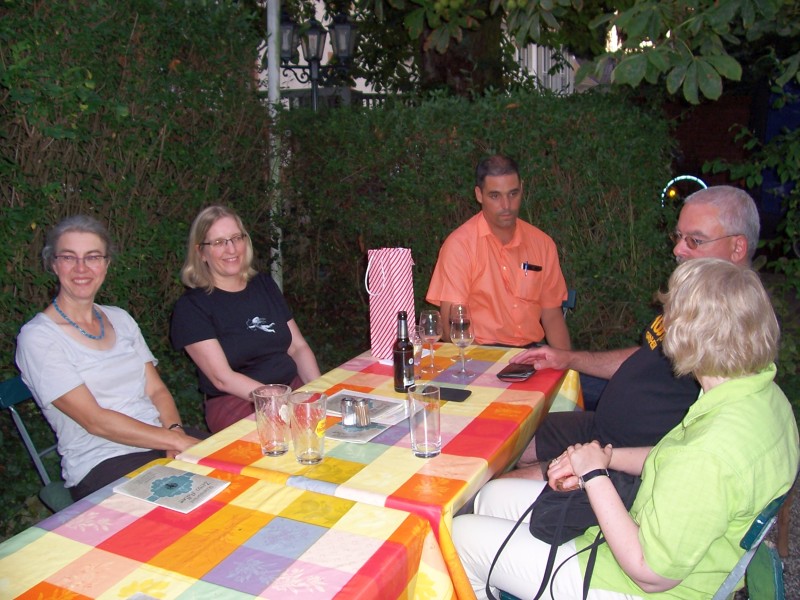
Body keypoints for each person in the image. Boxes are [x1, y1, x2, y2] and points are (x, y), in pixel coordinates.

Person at [453, 258, 799, 599]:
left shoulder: (711, 453)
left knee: (461, 537)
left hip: (636, 581)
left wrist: (593, 475)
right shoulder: (759, 396)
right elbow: (670, 457)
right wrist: (606, 457)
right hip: (654, 531)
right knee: (490, 497)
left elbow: (650, 574)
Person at [505, 185, 760, 478]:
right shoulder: (697, 300)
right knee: (511, 439)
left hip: (629, 464)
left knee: (496, 489)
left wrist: (603, 462)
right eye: (678, 237)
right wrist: (568, 358)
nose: (678, 249)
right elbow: (647, 355)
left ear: (737, 247)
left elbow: (696, 453)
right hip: (601, 429)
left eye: (695, 240)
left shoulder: (738, 326)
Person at [15, 215, 204, 501]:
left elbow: (156, 390)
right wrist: (176, 440)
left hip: (162, 439)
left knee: (250, 471)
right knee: (198, 510)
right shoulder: (39, 337)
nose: (81, 268)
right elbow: (95, 421)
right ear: (53, 264)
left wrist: (174, 433)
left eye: (93, 257)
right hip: (104, 461)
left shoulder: (120, 318)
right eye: (69, 257)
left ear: (106, 264)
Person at [170, 205, 321, 433]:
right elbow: (222, 378)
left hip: (291, 389)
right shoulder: (191, 307)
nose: (231, 249)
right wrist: (275, 399)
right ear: (201, 252)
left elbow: (297, 347)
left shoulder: (264, 285)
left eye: (236, 238)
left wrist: (318, 392)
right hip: (239, 402)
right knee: (295, 441)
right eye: (219, 242)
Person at [426, 154, 571, 349]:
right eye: (495, 196)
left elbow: (552, 315)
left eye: (513, 194)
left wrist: (565, 362)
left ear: (522, 189)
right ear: (479, 195)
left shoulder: (542, 244)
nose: (506, 205)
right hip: (478, 352)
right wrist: (487, 362)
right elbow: (451, 326)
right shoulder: (460, 245)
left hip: (530, 353)